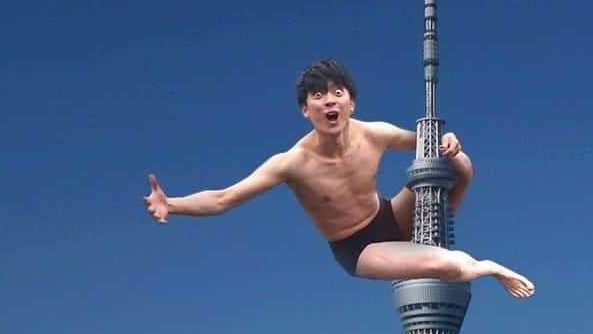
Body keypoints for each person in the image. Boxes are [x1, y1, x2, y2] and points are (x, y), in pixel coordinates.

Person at [142, 60, 534, 298]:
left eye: (336, 92)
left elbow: (428, 144)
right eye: (317, 95)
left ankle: (447, 242)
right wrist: (170, 204)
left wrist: (448, 141)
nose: (328, 100)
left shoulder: (375, 133)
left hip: (389, 215)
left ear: (351, 101)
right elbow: (224, 198)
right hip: (357, 248)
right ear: (304, 109)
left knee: (460, 164)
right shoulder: (291, 163)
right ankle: (486, 267)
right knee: (450, 267)